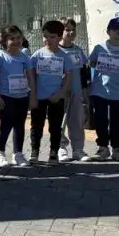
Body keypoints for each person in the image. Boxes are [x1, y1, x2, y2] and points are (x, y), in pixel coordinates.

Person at [86, 17, 119, 161]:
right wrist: (99, 64)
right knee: (100, 120)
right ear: (108, 31)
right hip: (99, 91)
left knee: (117, 122)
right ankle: (103, 147)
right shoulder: (99, 48)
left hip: (118, 93)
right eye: (115, 30)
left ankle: (117, 148)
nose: (118, 33)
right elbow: (91, 62)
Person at [0, 24, 34, 168]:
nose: (16, 41)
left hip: (22, 97)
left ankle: (18, 154)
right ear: (4, 41)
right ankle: (0, 152)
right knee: (6, 124)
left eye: (18, 38)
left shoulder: (25, 57)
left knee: (20, 125)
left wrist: (32, 96)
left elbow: (30, 78)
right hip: (5, 97)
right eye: (12, 39)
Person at [29, 20, 73, 162]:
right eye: (45, 36)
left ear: (60, 37)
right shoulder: (37, 55)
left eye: (52, 37)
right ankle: (34, 151)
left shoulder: (64, 56)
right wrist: (32, 95)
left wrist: (61, 93)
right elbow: (31, 76)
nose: (48, 39)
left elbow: (69, 77)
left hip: (56, 98)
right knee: (36, 126)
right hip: (39, 97)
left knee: (55, 127)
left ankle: (54, 152)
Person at [58, 17, 89, 163]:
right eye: (67, 30)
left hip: (76, 92)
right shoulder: (55, 50)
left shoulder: (78, 50)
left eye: (73, 30)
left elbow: (83, 71)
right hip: (59, 93)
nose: (71, 33)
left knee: (77, 121)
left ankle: (78, 149)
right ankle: (60, 148)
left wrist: (84, 91)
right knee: (59, 121)